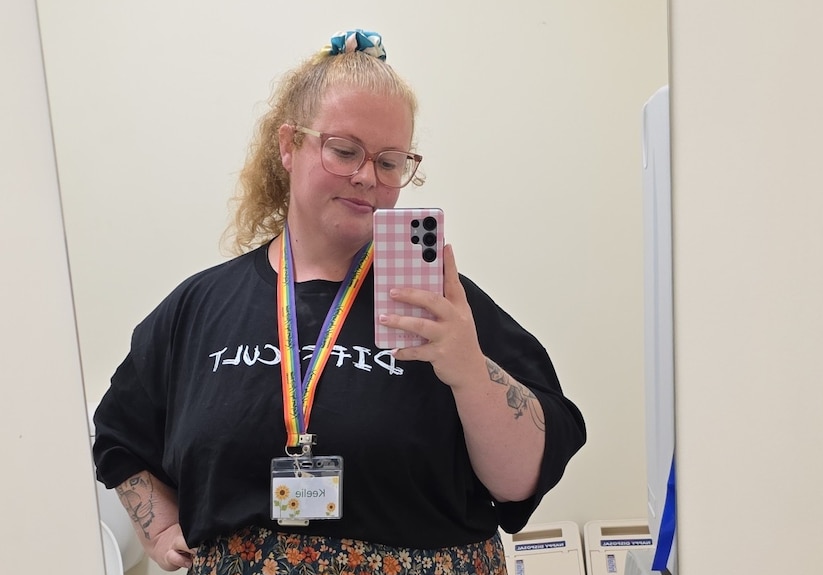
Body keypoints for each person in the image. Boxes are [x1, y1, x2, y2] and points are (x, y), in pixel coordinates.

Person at [93, 29, 586, 575]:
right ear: (288, 144)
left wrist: (469, 368)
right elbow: (119, 435)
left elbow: (520, 479)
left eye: (391, 161)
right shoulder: (200, 308)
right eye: (345, 150)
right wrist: (159, 529)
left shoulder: (445, 309)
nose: (366, 177)